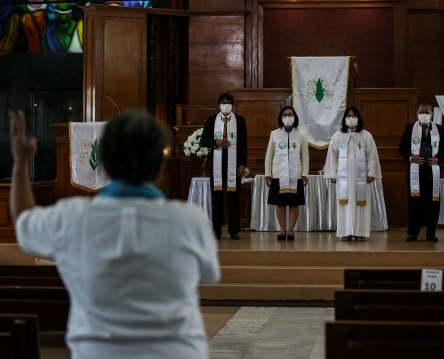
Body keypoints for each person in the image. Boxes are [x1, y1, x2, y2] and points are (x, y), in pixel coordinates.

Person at [10, 110, 220, 359]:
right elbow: (209, 273)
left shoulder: (72, 218)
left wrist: (21, 163)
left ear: (104, 160)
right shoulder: (189, 220)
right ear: (159, 163)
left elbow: (23, 221)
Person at [324, 106, 382, 241]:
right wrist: (332, 174)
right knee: (345, 203)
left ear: (358, 118)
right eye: (348, 116)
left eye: (354, 116)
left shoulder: (366, 135)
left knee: (361, 203)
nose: (351, 119)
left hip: (361, 178)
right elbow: (331, 156)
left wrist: (371, 172)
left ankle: (359, 232)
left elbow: (372, 156)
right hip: (344, 178)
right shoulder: (338, 136)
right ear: (344, 119)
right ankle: (346, 232)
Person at [398, 103, 444, 243]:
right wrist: (411, 157)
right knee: (414, 203)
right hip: (415, 172)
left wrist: (438, 158)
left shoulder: (439, 129)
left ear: (432, 114)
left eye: (427, 112)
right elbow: (402, 148)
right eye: (422, 112)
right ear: (417, 113)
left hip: (432, 172)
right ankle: (412, 233)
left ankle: (431, 233)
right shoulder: (410, 128)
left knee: (432, 203)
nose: (424, 115)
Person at [200, 92, 248, 240]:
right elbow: (203, 141)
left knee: (234, 198)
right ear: (219, 105)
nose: (226, 105)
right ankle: (216, 231)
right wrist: (217, 142)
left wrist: (242, 164)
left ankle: (234, 230)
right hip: (217, 165)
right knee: (217, 198)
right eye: (223, 103)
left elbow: (243, 145)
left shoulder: (240, 120)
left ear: (232, 105)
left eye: (228, 103)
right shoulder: (211, 120)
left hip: (234, 165)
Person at [264, 106, 309, 240]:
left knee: (294, 203)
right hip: (278, 173)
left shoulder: (301, 134)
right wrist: (268, 174)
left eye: (290, 114)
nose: (288, 117)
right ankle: (282, 229)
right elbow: (269, 155)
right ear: (281, 117)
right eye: (285, 114)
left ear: (294, 117)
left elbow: (305, 155)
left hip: (296, 174)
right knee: (280, 202)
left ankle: (291, 230)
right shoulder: (275, 134)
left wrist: (305, 174)